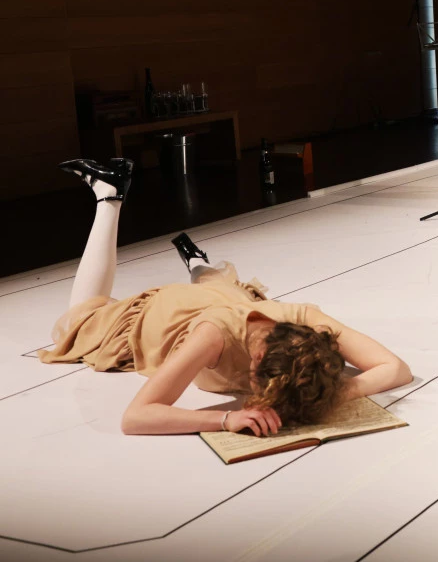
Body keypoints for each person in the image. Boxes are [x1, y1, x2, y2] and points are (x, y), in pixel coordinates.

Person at [41, 158, 413, 437]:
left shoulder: (305, 319)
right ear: (258, 357)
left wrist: (330, 396)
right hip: (169, 317)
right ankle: (109, 195)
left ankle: (197, 262)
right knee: (81, 321)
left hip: (224, 300)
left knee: (219, 288)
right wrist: (224, 419)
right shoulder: (212, 337)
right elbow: (136, 416)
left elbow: (396, 368)